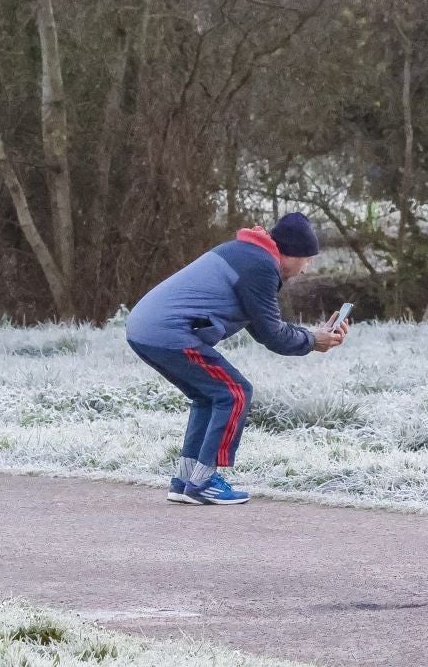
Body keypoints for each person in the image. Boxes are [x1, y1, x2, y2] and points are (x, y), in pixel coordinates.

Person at [124, 212, 349, 505]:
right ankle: (204, 483)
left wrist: (312, 337)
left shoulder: (248, 254)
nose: (306, 269)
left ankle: (186, 480)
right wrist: (312, 341)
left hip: (144, 329)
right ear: (290, 252)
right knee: (235, 392)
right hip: (169, 333)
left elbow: (264, 327)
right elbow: (273, 335)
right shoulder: (261, 265)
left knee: (210, 396)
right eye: (306, 259)